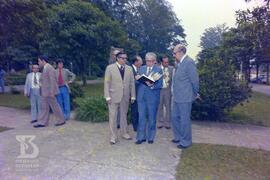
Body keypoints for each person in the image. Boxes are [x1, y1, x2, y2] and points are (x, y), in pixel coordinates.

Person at [104, 52, 136, 144]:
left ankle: (124, 133)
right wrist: (107, 96)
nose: (125, 60)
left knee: (123, 115)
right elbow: (106, 83)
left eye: (126, 58)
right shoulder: (110, 68)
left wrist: (133, 95)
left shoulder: (129, 69)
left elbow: (132, 83)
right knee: (113, 116)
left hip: (125, 96)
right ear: (117, 58)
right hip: (113, 96)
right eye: (123, 58)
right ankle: (113, 136)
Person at [171, 44, 199, 149]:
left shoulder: (189, 62)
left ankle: (186, 142)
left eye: (174, 53)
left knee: (184, 120)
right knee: (174, 118)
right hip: (177, 96)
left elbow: (195, 80)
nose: (173, 55)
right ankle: (178, 137)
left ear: (181, 52)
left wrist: (195, 93)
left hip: (185, 97)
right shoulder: (179, 63)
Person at [135, 52, 163, 144]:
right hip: (141, 97)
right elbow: (137, 83)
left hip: (152, 98)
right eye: (147, 61)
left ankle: (151, 137)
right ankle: (140, 137)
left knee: (151, 118)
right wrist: (137, 79)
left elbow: (160, 84)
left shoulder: (158, 70)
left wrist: (152, 85)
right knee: (141, 117)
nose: (148, 63)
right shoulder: (141, 68)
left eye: (151, 61)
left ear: (154, 61)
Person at [33, 55, 66, 128]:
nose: (38, 63)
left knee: (55, 107)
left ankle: (61, 120)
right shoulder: (44, 68)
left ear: (43, 61)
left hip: (49, 92)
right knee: (43, 107)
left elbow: (53, 81)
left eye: (39, 61)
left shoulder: (49, 68)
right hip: (44, 92)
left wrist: (52, 92)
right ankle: (42, 122)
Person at [157, 56, 173, 129]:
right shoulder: (157, 69)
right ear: (161, 62)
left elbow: (174, 80)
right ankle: (160, 122)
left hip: (168, 90)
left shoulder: (172, 69)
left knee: (168, 107)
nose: (167, 63)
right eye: (165, 62)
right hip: (159, 90)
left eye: (167, 62)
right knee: (159, 106)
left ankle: (167, 123)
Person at [130, 55, 143, 131]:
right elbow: (130, 82)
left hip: (139, 93)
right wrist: (140, 80)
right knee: (134, 110)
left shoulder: (139, 69)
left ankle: (138, 124)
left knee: (138, 110)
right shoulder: (129, 69)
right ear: (136, 62)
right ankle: (135, 127)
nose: (142, 62)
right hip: (133, 94)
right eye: (140, 61)